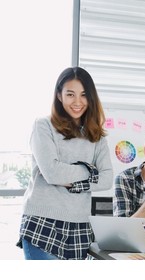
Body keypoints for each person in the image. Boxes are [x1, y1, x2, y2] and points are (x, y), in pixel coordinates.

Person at [18, 67, 114, 260]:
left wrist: (68, 175)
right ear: (59, 96)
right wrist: (90, 170)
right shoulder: (43, 125)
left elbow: (107, 179)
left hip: (79, 226)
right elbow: (52, 173)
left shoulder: (97, 136)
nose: (77, 102)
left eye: (84, 95)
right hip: (43, 223)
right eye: (70, 94)